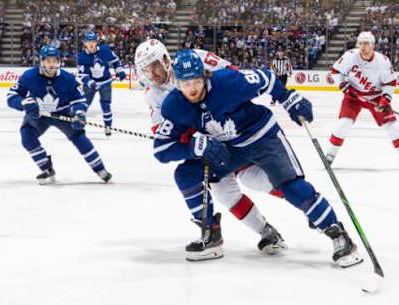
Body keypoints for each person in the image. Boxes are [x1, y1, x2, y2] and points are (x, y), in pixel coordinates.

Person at [153, 49, 362, 267]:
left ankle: (338, 234)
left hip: (262, 137)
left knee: (292, 187)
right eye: (185, 84)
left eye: (196, 81)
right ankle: (210, 233)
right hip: (229, 148)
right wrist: (193, 148)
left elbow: (268, 78)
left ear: (205, 75)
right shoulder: (174, 105)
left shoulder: (228, 82)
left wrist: (287, 97)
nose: (192, 89)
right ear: (176, 83)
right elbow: (162, 149)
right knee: (186, 174)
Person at [134, 39, 286, 257]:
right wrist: (194, 141)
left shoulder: (198, 59)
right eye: (147, 70)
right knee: (223, 191)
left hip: (233, 127)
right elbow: (167, 135)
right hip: (210, 141)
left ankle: (305, 202)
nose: (153, 73)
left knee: (254, 177)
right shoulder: (153, 94)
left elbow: (234, 78)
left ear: (166, 59)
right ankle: (263, 232)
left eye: (155, 65)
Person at [6, 45, 112, 184]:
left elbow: (78, 99)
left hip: (63, 113)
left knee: (79, 137)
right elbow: (11, 96)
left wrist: (78, 113)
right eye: (47, 61)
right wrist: (23, 103)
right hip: (39, 114)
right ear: (41, 61)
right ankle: (46, 168)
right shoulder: (29, 76)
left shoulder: (67, 78)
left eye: (54, 60)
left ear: (59, 61)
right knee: (27, 135)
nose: (51, 64)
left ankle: (100, 169)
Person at [327, 31, 399, 168]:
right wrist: (345, 86)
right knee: (343, 124)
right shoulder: (350, 56)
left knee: (391, 126)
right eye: (361, 43)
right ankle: (330, 155)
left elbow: (390, 83)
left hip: (376, 96)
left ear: (373, 45)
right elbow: (335, 71)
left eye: (366, 43)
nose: (363, 47)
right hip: (354, 96)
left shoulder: (383, 61)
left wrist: (385, 100)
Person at [78, 31, 127, 136]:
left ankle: (108, 127)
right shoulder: (82, 57)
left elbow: (115, 60)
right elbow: (83, 75)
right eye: (88, 41)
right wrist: (90, 82)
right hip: (91, 84)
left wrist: (119, 71)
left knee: (106, 105)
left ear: (96, 42)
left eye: (93, 41)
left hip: (105, 82)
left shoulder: (105, 50)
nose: (91, 44)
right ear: (85, 43)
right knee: (84, 105)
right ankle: (78, 126)